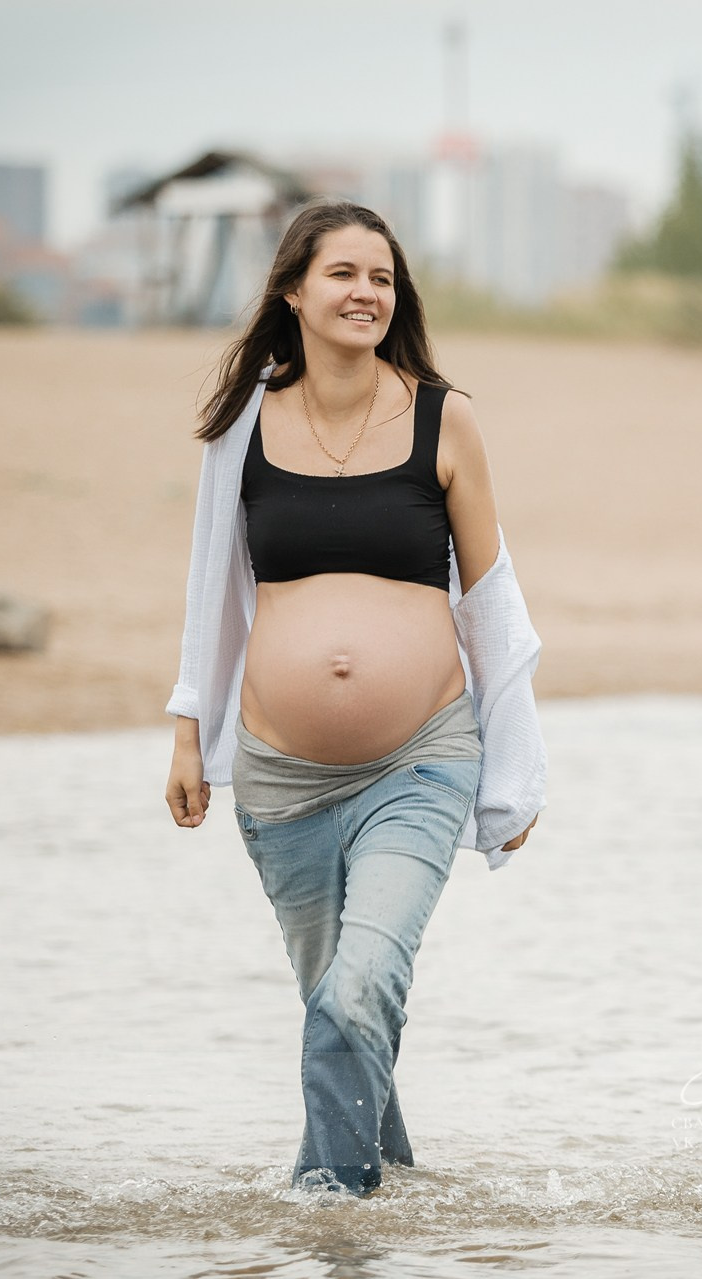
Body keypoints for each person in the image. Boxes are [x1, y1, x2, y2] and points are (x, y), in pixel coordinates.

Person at [162, 199, 546, 1197]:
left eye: (382, 277)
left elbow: (493, 604)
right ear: (293, 288)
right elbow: (211, 580)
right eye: (343, 274)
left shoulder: (441, 416)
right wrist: (189, 731)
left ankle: (329, 1212)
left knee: (353, 995)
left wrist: (515, 769)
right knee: (345, 1008)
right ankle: (394, 1196)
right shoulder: (242, 421)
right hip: (281, 782)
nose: (365, 293)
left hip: (420, 759)